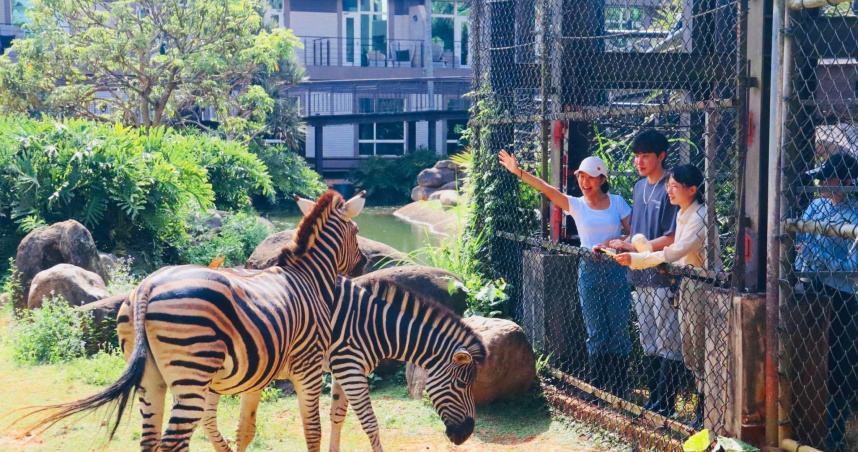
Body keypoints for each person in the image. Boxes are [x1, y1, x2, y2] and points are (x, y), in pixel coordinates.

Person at [498, 150, 633, 396]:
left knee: (619, 330)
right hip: (589, 269)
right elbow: (547, 189)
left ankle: (620, 390)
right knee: (596, 331)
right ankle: (597, 389)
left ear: (602, 179)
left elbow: (635, 233)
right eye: (581, 177)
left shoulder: (618, 202)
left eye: (591, 177)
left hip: (617, 269)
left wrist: (617, 242)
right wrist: (518, 171)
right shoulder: (577, 205)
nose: (584, 182)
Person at [614, 164, 722, 429]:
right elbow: (672, 250)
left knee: (699, 351)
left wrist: (636, 257)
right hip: (688, 283)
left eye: (675, 186)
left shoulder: (700, 217)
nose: (669, 190)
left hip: (702, 285)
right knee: (690, 352)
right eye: (668, 185)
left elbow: (674, 252)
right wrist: (640, 250)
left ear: (692, 189)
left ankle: (704, 412)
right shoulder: (684, 213)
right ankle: (696, 411)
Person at [600, 129, 681, 417]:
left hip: (663, 274)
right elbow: (636, 232)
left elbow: (671, 237)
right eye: (636, 156)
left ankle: (667, 403)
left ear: (662, 155)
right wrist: (624, 243)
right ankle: (654, 400)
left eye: (646, 155)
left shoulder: (672, 187)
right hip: (638, 275)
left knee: (668, 341)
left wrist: (637, 250)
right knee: (648, 340)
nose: (640, 161)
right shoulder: (638, 187)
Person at [794, 154, 858, 452]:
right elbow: (800, 243)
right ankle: (802, 427)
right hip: (808, 290)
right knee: (803, 360)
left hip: (840, 298)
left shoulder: (855, 216)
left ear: (847, 182)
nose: (819, 183)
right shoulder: (817, 205)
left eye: (827, 178)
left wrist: (813, 254)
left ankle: (833, 435)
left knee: (836, 366)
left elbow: (851, 268)